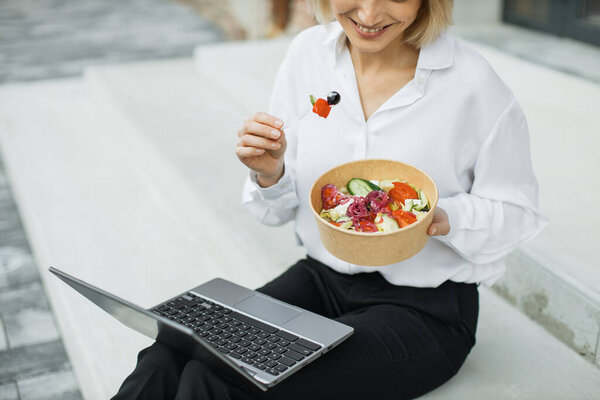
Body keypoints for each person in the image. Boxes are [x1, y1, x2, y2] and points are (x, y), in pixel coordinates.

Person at [112, 0, 548, 399]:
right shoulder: (308, 56)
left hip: (424, 310)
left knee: (217, 379)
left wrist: (440, 216)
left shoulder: (472, 83)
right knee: (172, 348)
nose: (370, 14)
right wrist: (270, 173)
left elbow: (519, 212)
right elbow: (278, 209)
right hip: (322, 278)